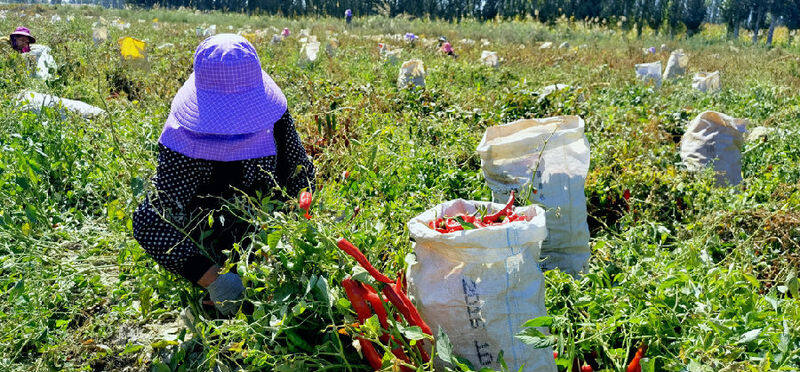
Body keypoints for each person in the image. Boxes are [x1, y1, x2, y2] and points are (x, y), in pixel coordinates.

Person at [132, 34, 315, 316]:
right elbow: (151, 220)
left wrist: (285, 239)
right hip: (210, 236)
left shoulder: (275, 116)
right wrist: (214, 279)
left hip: (268, 224)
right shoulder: (181, 140)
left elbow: (300, 174)